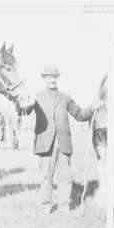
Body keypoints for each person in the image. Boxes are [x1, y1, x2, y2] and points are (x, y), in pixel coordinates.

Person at [22, 65, 93, 214]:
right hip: (45, 144)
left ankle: (64, 207)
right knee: (46, 177)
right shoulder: (37, 96)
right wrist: (25, 105)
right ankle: (45, 207)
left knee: (65, 177)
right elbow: (25, 111)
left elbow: (79, 114)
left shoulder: (66, 97)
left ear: (58, 78)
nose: (52, 79)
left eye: (54, 76)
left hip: (63, 142)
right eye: (49, 76)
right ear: (44, 79)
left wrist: (94, 108)